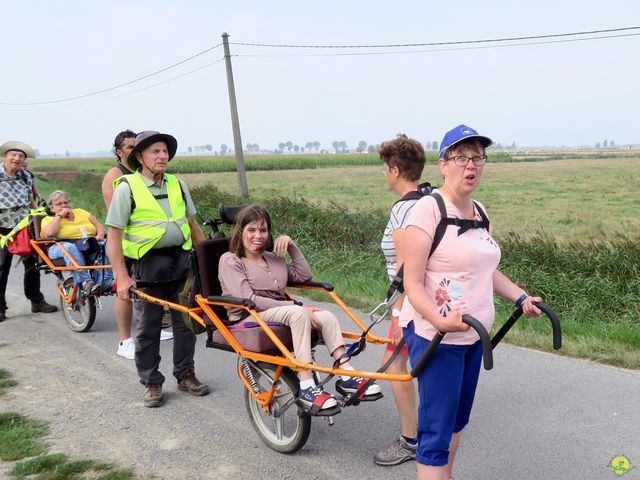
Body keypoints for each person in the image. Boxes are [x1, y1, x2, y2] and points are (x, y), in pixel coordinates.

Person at [401, 125, 544, 480]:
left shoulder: (479, 211)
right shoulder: (427, 210)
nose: (471, 165)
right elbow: (412, 283)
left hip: (473, 338)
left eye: (478, 157)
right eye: (461, 157)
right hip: (437, 338)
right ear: (443, 164)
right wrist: (438, 320)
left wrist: (521, 297)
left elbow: (486, 270)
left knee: (456, 422)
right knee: (435, 430)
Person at [218, 204, 381, 414]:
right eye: (251, 230)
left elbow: (304, 276)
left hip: (278, 313)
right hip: (248, 316)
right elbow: (248, 299)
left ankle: (347, 374)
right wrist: (295, 306)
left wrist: (292, 246)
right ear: (240, 232)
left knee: (327, 316)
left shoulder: (273, 259)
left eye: (263, 230)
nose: (258, 235)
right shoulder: (230, 260)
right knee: (298, 313)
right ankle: (306, 385)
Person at [106, 130, 209, 407]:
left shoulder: (177, 184)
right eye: (155, 151)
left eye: (165, 151)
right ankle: (151, 381)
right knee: (149, 327)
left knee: (186, 322)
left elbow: (193, 225)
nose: (162, 156)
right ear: (140, 157)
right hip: (147, 266)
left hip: (182, 262)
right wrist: (122, 276)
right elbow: (113, 236)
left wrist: (208, 262)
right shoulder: (126, 187)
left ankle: (185, 373)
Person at [374, 134, 427, 466]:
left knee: (396, 366)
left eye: (384, 167)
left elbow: (408, 272)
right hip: (432, 300)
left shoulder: (404, 210)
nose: (383, 173)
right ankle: (434, 428)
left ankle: (410, 440)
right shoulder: (430, 199)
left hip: (411, 304)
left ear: (395, 170)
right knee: (427, 364)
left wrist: (397, 318)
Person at [101, 130, 172, 361]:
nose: (133, 149)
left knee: (152, 291)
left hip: (149, 245)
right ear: (119, 151)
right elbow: (118, 218)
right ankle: (125, 340)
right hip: (127, 242)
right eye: (129, 147)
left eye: (136, 146)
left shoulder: (153, 175)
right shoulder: (116, 175)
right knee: (124, 289)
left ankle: (153, 327)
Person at [0, 141, 57, 322]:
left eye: (21, 156)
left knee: (32, 265)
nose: (17, 159)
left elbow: (30, 200)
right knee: (2, 268)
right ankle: (0, 308)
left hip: (25, 227)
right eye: (13, 155)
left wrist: (38, 219)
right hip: (2, 229)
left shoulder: (25, 176)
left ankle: (36, 301)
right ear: (6, 156)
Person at [40, 190, 112, 296]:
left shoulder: (81, 212)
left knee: (105, 245)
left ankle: (104, 284)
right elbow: (49, 233)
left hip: (87, 244)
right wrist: (59, 216)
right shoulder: (48, 219)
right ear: (52, 207)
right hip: (59, 247)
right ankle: (85, 282)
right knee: (70, 248)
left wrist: (99, 236)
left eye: (66, 202)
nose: (64, 205)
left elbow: (98, 225)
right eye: (59, 204)